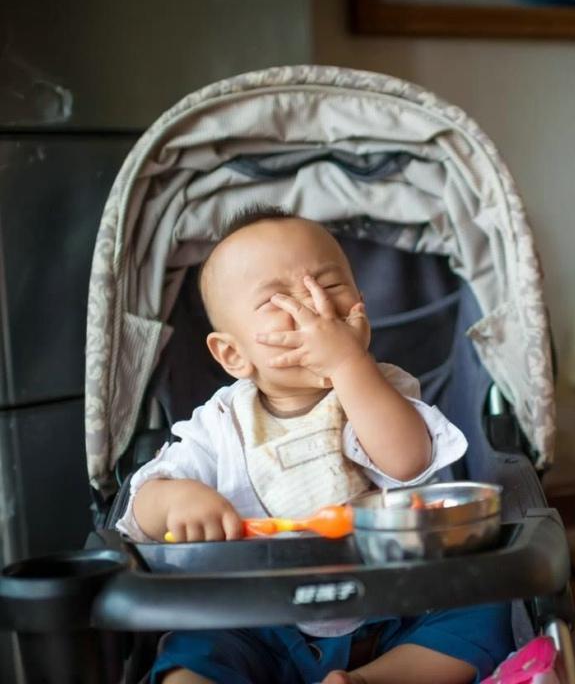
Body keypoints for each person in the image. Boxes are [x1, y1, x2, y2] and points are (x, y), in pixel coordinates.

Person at [115, 208, 512, 684]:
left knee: (486, 612)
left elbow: (408, 461)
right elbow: (140, 506)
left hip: (392, 605)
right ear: (233, 353)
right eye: (278, 299)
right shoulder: (219, 425)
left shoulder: (379, 390)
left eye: (330, 284)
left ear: (361, 306)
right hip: (257, 621)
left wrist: (348, 363)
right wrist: (174, 500)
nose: (313, 303)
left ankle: (370, 680)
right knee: (190, 652)